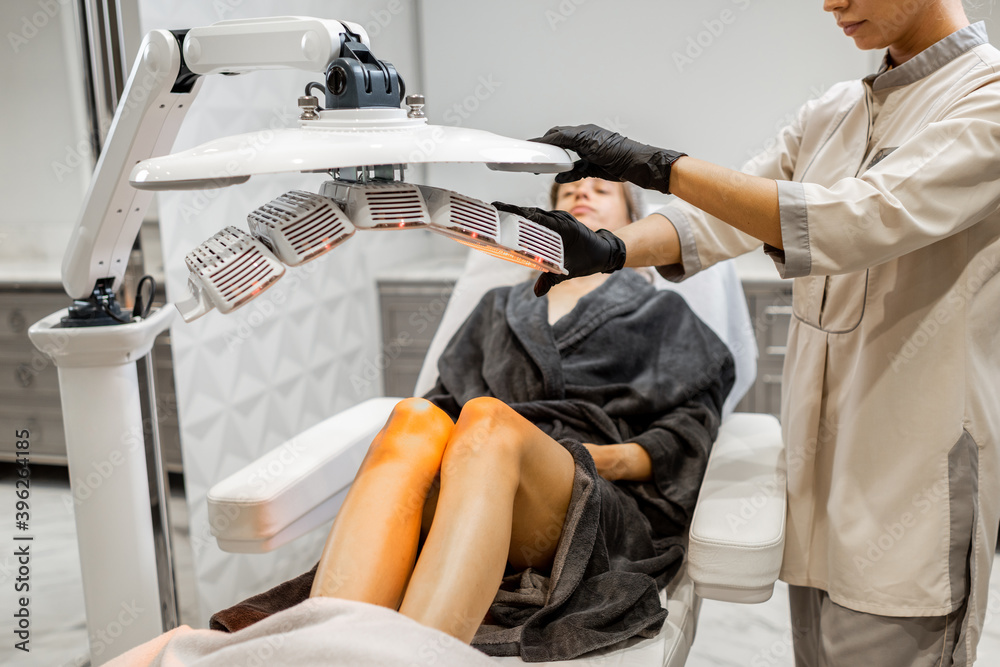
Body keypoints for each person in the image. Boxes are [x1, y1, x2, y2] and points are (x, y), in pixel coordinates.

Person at [495, 2, 1000, 665]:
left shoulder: (984, 98)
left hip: (911, 486)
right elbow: (717, 218)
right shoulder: (835, 111)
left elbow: (856, 219)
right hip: (821, 478)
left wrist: (657, 164)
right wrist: (610, 248)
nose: (830, 4)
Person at [208, 178, 736, 662]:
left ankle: (412, 660)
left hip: (590, 499)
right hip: (475, 478)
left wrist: (598, 458)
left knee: (487, 419)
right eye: (568, 191)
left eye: (601, 190)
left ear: (630, 224)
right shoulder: (497, 306)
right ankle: (325, 651)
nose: (581, 194)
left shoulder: (663, 314)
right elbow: (443, 403)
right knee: (414, 415)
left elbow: (690, 431)